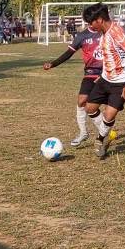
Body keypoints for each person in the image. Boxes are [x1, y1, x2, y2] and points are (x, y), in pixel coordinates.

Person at [81, 2, 125, 159]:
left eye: (91, 22)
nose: (90, 26)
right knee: (90, 108)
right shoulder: (103, 32)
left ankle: (100, 139)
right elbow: (110, 57)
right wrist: (103, 74)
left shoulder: (116, 32)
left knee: (109, 115)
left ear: (99, 20)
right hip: (106, 79)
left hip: (122, 82)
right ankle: (106, 130)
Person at [42, 16, 104, 149]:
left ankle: (104, 132)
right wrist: (53, 64)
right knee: (82, 101)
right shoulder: (82, 36)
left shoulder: (106, 32)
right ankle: (83, 132)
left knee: (99, 106)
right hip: (91, 73)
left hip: (107, 73)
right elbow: (69, 53)